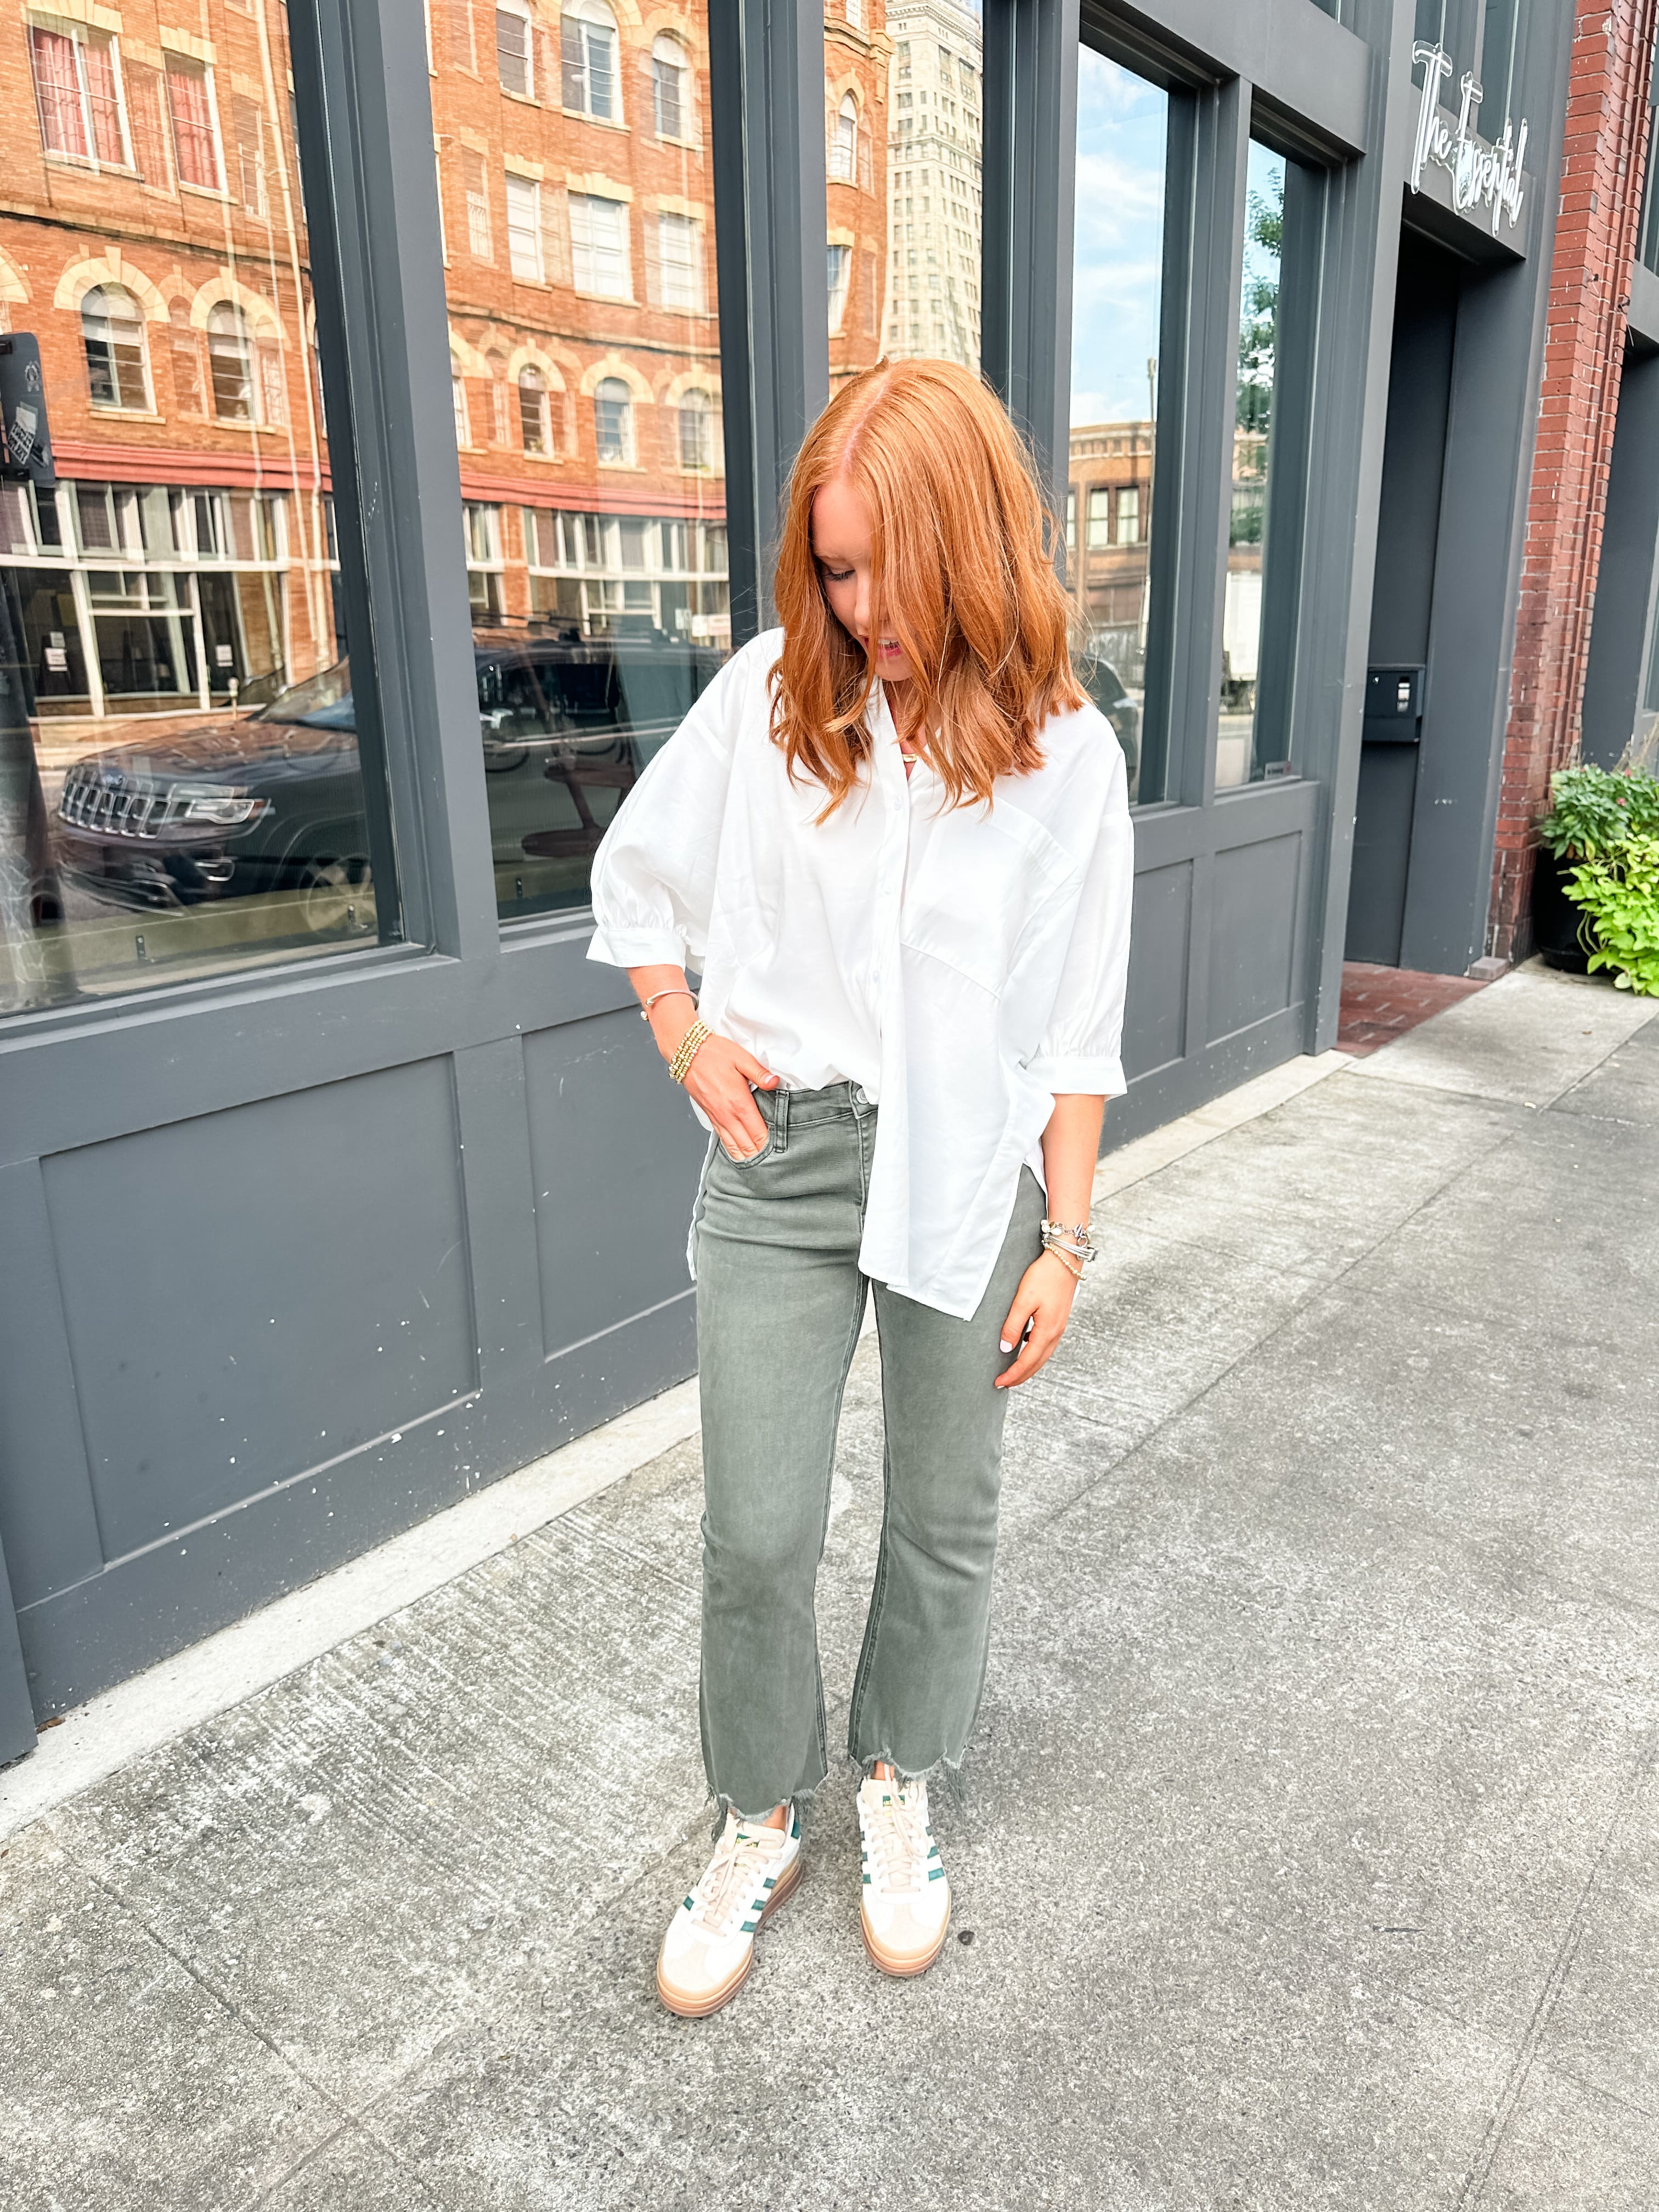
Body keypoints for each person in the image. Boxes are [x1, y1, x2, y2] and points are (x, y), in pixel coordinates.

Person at [586, 357, 1133, 2018]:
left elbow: (1075, 1027)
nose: (860, 604)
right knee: (757, 1529)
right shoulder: (770, 699)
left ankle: (899, 1775)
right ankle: (760, 1810)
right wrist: (686, 1040)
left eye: (889, 565)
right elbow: (636, 880)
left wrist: (1069, 1240)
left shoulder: (1065, 757)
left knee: (945, 1514)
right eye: (833, 567)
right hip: (786, 1157)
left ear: (972, 543)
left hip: (971, 1164)